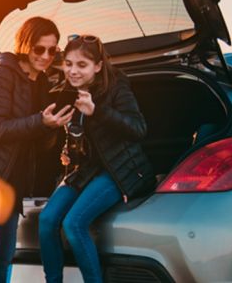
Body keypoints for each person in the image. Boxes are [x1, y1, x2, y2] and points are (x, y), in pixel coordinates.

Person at [0, 16, 73, 283]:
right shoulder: (1, 73)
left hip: (12, 179)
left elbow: (33, 136)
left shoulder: (40, 82)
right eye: (39, 49)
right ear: (25, 44)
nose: (45, 56)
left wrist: (51, 126)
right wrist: (39, 121)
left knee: (5, 253)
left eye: (52, 50)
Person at [38, 34, 154, 283]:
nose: (73, 71)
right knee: (47, 220)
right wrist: (58, 139)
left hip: (117, 169)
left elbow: (138, 128)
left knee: (73, 224)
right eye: (68, 64)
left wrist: (97, 111)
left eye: (81, 65)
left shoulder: (116, 87)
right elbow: (76, 136)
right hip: (84, 170)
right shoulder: (66, 92)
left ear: (98, 66)